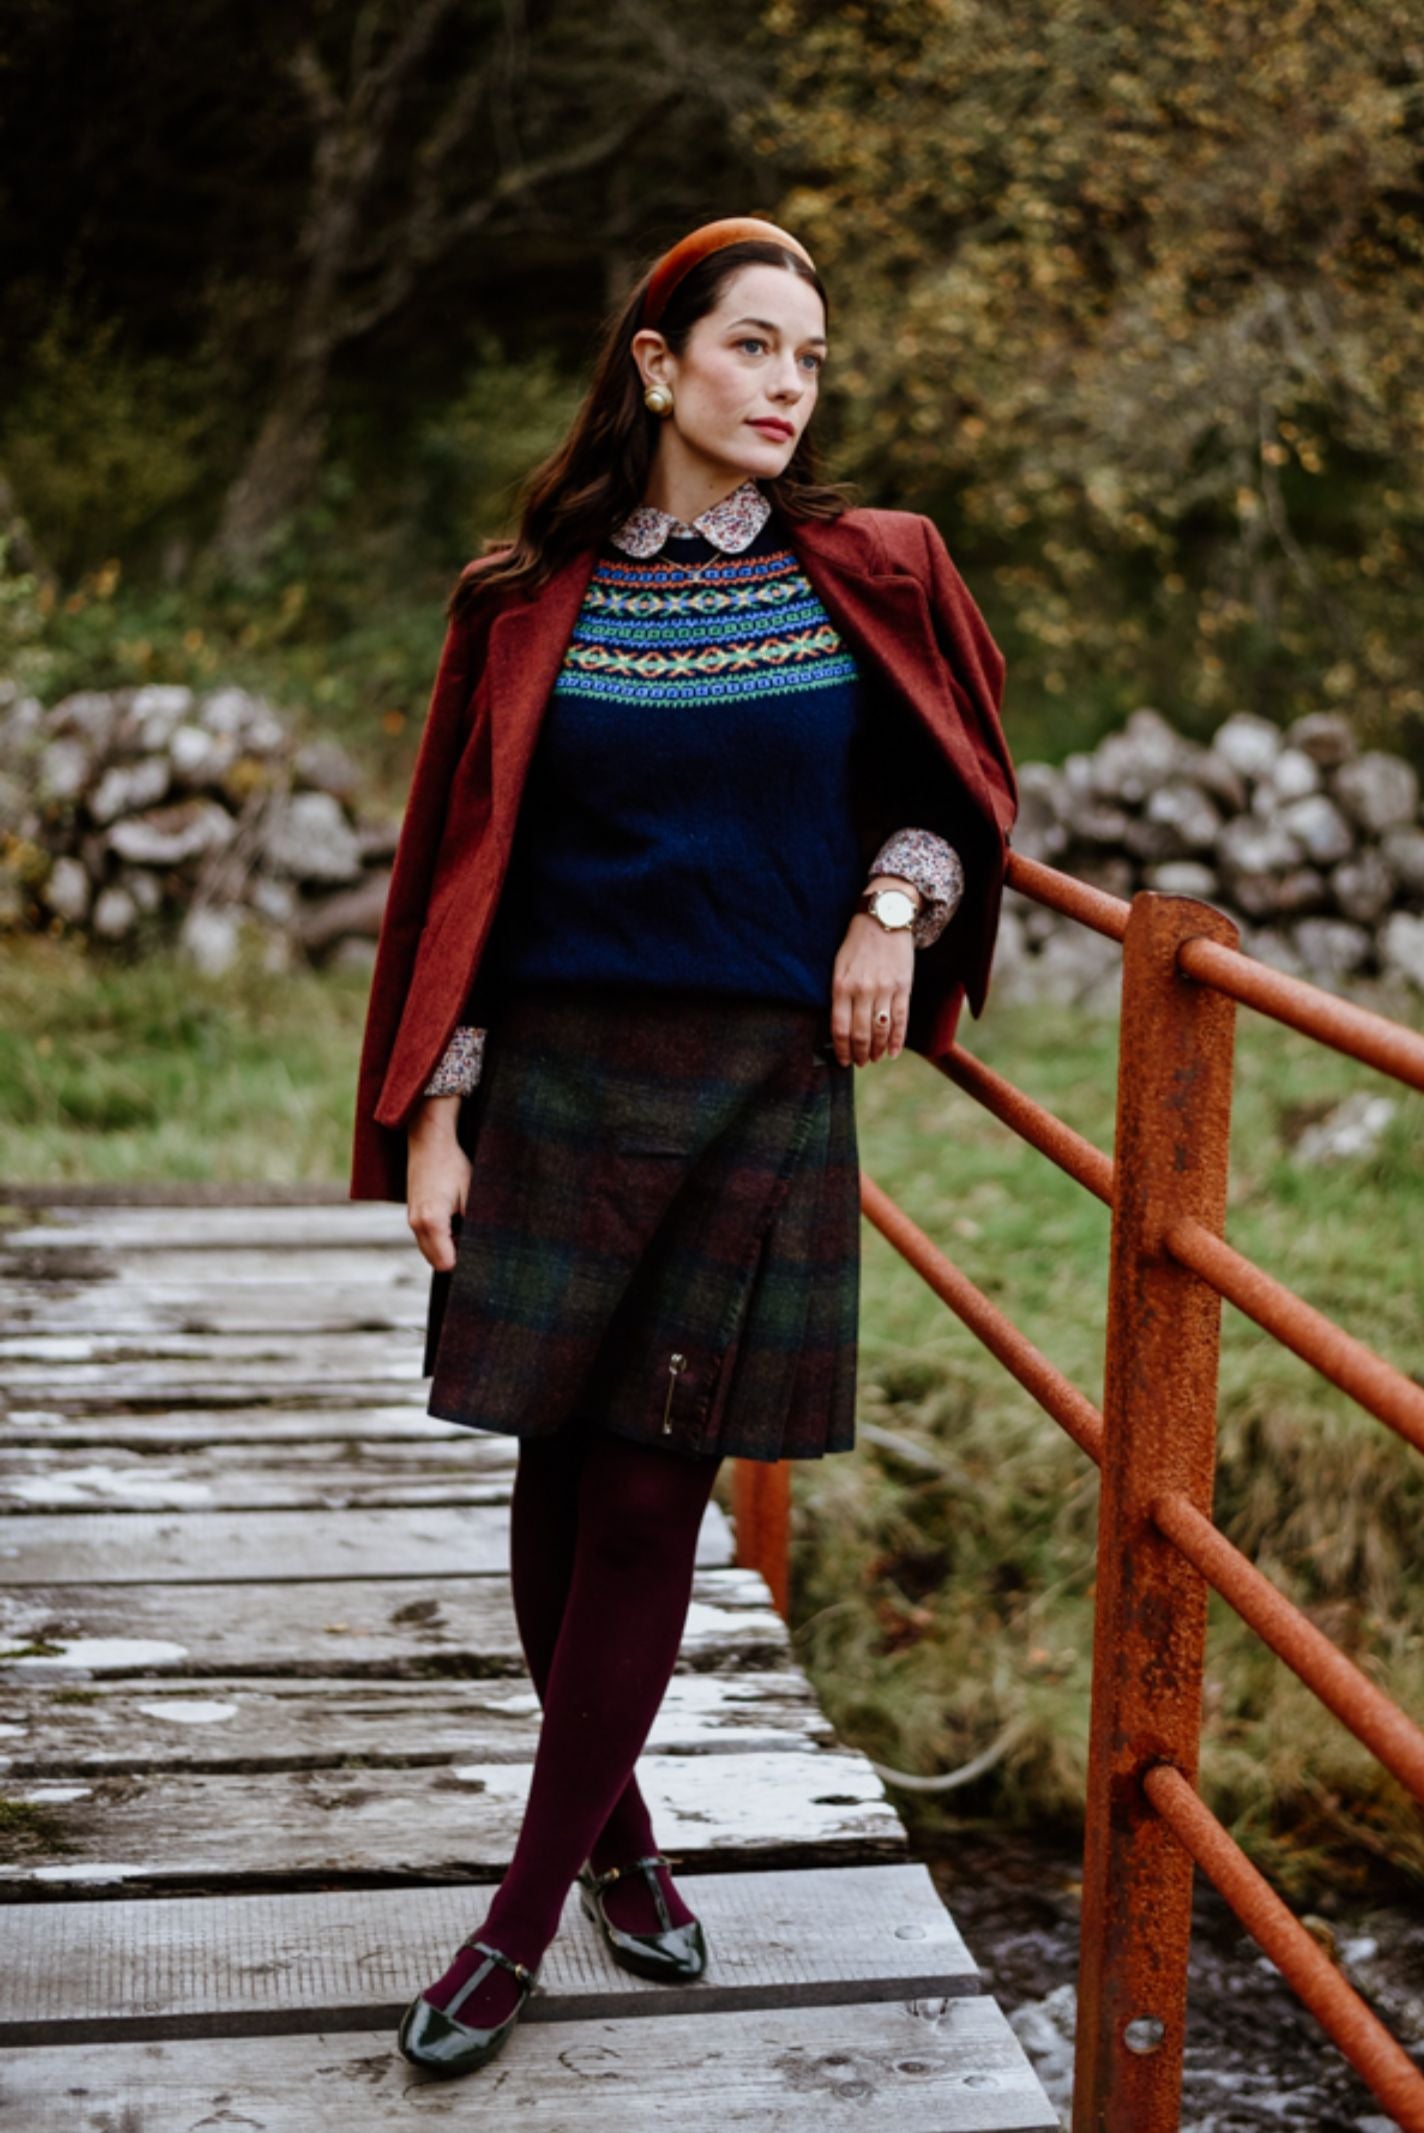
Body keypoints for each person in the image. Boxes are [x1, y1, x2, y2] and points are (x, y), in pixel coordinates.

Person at [350, 214, 1018, 2079]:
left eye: (811, 357)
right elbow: (472, 876)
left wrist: (891, 908)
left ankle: (512, 1922)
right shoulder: (522, 598)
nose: (789, 385)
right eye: (752, 347)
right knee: (554, 1472)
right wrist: (439, 1112)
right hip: (558, 1080)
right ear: (658, 365)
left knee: (651, 1496)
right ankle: (618, 1836)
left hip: (756, 1087)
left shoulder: (873, 566)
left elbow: (959, 788)